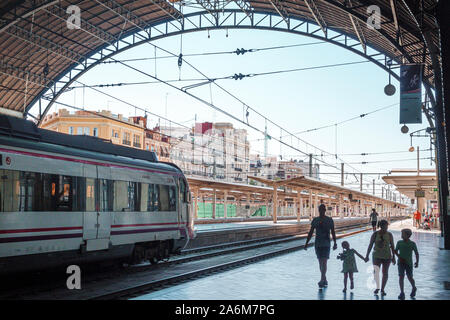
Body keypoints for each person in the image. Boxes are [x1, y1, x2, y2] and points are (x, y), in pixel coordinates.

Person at [304, 204, 338, 288]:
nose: (322, 211)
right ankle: (324, 278)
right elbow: (311, 232)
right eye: (321, 209)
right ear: (320, 210)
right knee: (321, 262)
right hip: (320, 244)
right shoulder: (318, 220)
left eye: (322, 209)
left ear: (324, 210)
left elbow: (333, 232)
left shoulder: (327, 220)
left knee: (323, 261)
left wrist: (335, 242)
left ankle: (322, 280)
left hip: (324, 243)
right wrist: (306, 243)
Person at [364, 219, 396, 296]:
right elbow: (370, 245)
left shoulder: (389, 235)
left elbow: (392, 246)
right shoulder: (375, 234)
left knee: (385, 273)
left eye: (387, 226)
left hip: (387, 256)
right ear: (381, 226)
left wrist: (394, 257)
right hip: (376, 256)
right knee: (376, 272)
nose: (386, 227)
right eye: (385, 226)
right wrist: (367, 255)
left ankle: (382, 289)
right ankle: (377, 287)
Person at [394, 228, 419, 300]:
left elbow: (416, 253)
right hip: (401, 263)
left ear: (408, 235)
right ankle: (402, 292)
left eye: (403, 234)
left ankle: (414, 287)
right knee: (401, 276)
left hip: (409, 263)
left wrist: (417, 262)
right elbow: (395, 251)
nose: (401, 235)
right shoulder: (399, 243)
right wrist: (399, 257)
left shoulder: (412, 244)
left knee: (409, 277)